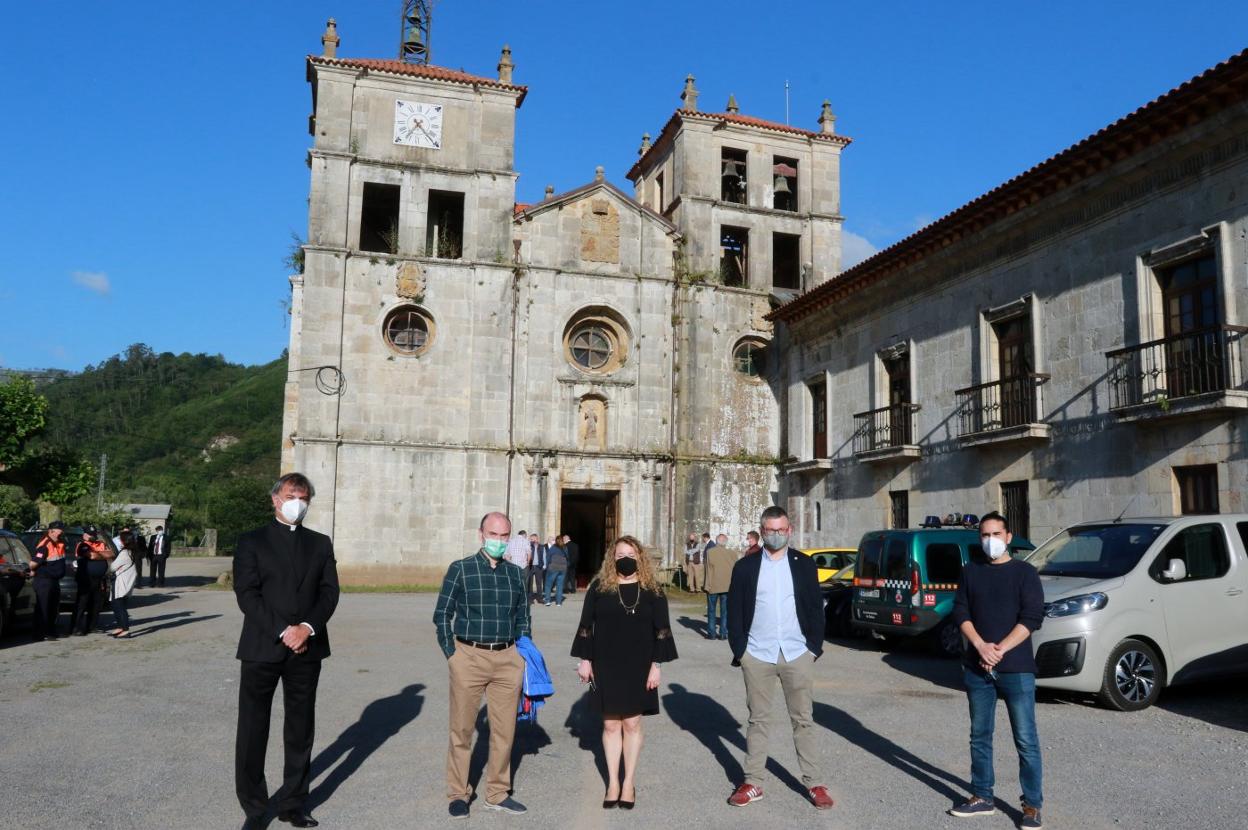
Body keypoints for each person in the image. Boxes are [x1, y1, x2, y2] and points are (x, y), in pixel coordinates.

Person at [234, 473, 340, 830]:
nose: (298, 502)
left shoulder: (320, 543)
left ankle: (294, 803)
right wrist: (284, 630)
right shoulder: (251, 541)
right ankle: (254, 807)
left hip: (307, 648)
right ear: (275, 499)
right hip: (262, 646)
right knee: (253, 727)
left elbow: (329, 592)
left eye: (304, 497)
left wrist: (306, 627)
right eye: (292, 495)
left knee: (300, 727)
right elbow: (247, 594)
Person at [726, 506, 832, 810]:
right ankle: (753, 782)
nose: (776, 535)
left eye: (781, 530)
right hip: (758, 654)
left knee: (803, 719)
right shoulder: (745, 567)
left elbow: (815, 608)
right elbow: (734, 611)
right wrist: (741, 651)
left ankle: (814, 783)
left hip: (797, 653)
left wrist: (813, 648)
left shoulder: (804, 564)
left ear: (790, 530)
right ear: (762, 532)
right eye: (771, 530)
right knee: (758, 720)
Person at [949, 511, 1045, 829]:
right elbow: (960, 611)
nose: (990, 540)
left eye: (996, 534)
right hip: (978, 668)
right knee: (979, 735)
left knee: (1026, 739)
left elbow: (1032, 617)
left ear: (1008, 537)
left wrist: (999, 649)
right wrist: (980, 646)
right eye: (985, 535)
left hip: (1016, 668)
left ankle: (1032, 805)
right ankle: (982, 796)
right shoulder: (970, 571)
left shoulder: (1025, 573)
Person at [433, 511, 531, 819]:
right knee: (462, 729)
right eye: (493, 535)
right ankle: (458, 793)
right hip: (469, 657)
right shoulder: (461, 569)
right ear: (481, 534)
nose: (498, 541)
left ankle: (497, 793)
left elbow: (523, 616)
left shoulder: (516, 574)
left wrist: (522, 653)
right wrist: (452, 654)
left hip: (507, 659)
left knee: (505, 731)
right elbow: (442, 614)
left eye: (504, 536)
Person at [572, 535, 678, 809]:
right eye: (620, 555)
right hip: (605, 662)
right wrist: (585, 660)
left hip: (639, 665)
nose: (626, 560)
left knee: (632, 723)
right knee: (610, 725)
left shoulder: (652, 590)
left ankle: (628, 782)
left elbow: (662, 630)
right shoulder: (599, 588)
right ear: (612, 559)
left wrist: (656, 666)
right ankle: (613, 783)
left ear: (640, 557)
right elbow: (586, 625)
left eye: (631, 555)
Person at [30, 521, 68, 640]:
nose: (62, 532)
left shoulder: (59, 544)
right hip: (44, 581)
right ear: (51, 531)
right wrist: (33, 569)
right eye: (60, 530)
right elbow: (33, 563)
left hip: (54, 580)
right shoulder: (45, 544)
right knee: (43, 607)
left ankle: (50, 632)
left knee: (53, 608)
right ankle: (39, 634)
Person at [71, 525, 112, 636]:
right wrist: (102, 554)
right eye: (90, 534)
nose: (93, 536)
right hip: (85, 579)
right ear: (84, 535)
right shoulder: (82, 544)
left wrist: (99, 554)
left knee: (96, 604)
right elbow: (92, 556)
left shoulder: (101, 543)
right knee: (82, 604)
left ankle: (92, 626)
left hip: (98, 579)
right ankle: (76, 627)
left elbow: (111, 554)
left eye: (94, 534)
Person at [704, 534, 737, 640]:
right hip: (728, 586)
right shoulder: (733, 554)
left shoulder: (710, 552)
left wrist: (706, 585)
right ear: (725, 542)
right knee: (725, 611)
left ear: (716, 541)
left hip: (713, 585)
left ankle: (712, 633)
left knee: (711, 610)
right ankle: (723, 633)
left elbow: (708, 570)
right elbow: (736, 570)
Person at [107, 531, 138, 638]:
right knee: (118, 605)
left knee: (118, 606)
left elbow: (113, 567)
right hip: (126, 582)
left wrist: (109, 560)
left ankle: (125, 630)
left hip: (121, 582)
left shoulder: (125, 552)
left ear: (124, 541)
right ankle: (120, 627)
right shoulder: (132, 551)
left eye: (120, 539)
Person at [544, 536, 568, 606]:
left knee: (548, 585)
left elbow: (548, 557)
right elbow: (567, 557)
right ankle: (559, 602)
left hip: (553, 567)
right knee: (560, 585)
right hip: (563, 568)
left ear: (556, 541)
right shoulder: (565, 548)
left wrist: (547, 566)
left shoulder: (553, 547)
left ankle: (547, 601)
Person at [528, 533, 545, 605]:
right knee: (530, 583)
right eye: (531, 539)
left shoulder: (542, 547)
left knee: (539, 583)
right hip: (531, 566)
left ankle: (540, 598)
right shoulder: (529, 546)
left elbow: (544, 556)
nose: (532, 540)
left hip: (538, 566)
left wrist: (544, 565)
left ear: (537, 539)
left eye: (533, 539)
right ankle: (530, 599)